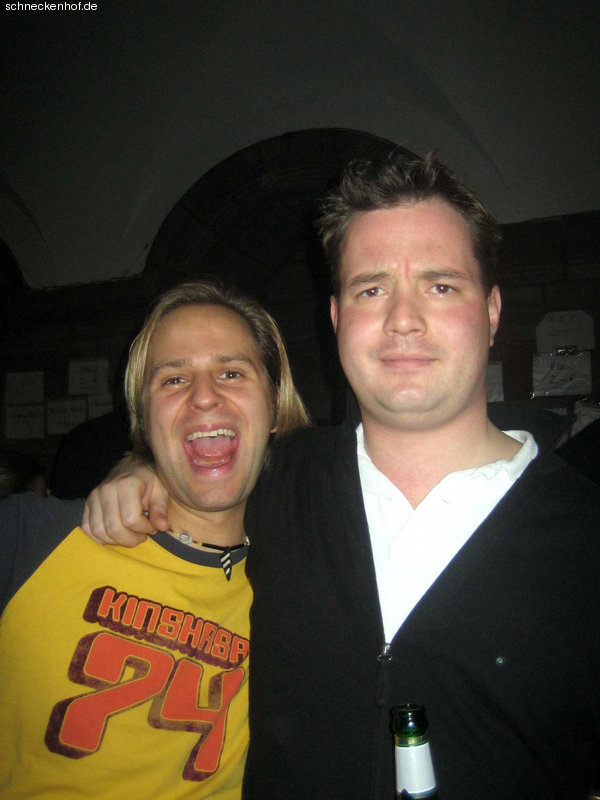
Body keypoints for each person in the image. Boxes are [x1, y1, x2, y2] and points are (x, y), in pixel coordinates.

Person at [83, 153, 600, 799]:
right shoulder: (274, 485)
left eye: (440, 285)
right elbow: (194, 467)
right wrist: (144, 470)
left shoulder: (585, 536)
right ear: (335, 318)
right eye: (371, 289)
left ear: (492, 311)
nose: (403, 319)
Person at [0, 279, 308, 799]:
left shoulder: (300, 582)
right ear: (144, 418)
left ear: (275, 407)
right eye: (173, 379)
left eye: (231, 373)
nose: (204, 396)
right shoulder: (33, 537)